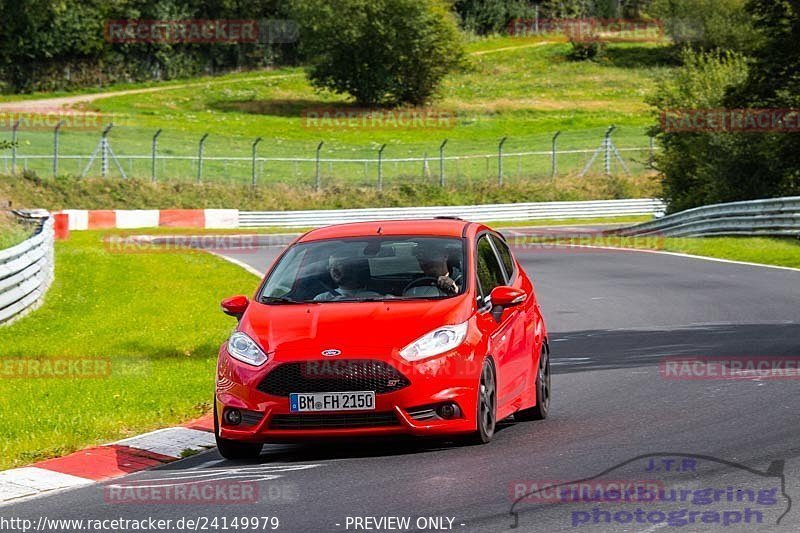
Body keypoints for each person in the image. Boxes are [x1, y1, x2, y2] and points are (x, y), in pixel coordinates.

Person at [314, 255, 383, 301]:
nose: (334, 270)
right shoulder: (321, 300)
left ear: (352, 268)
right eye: (331, 267)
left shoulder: (376, 298)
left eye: (338, 264)